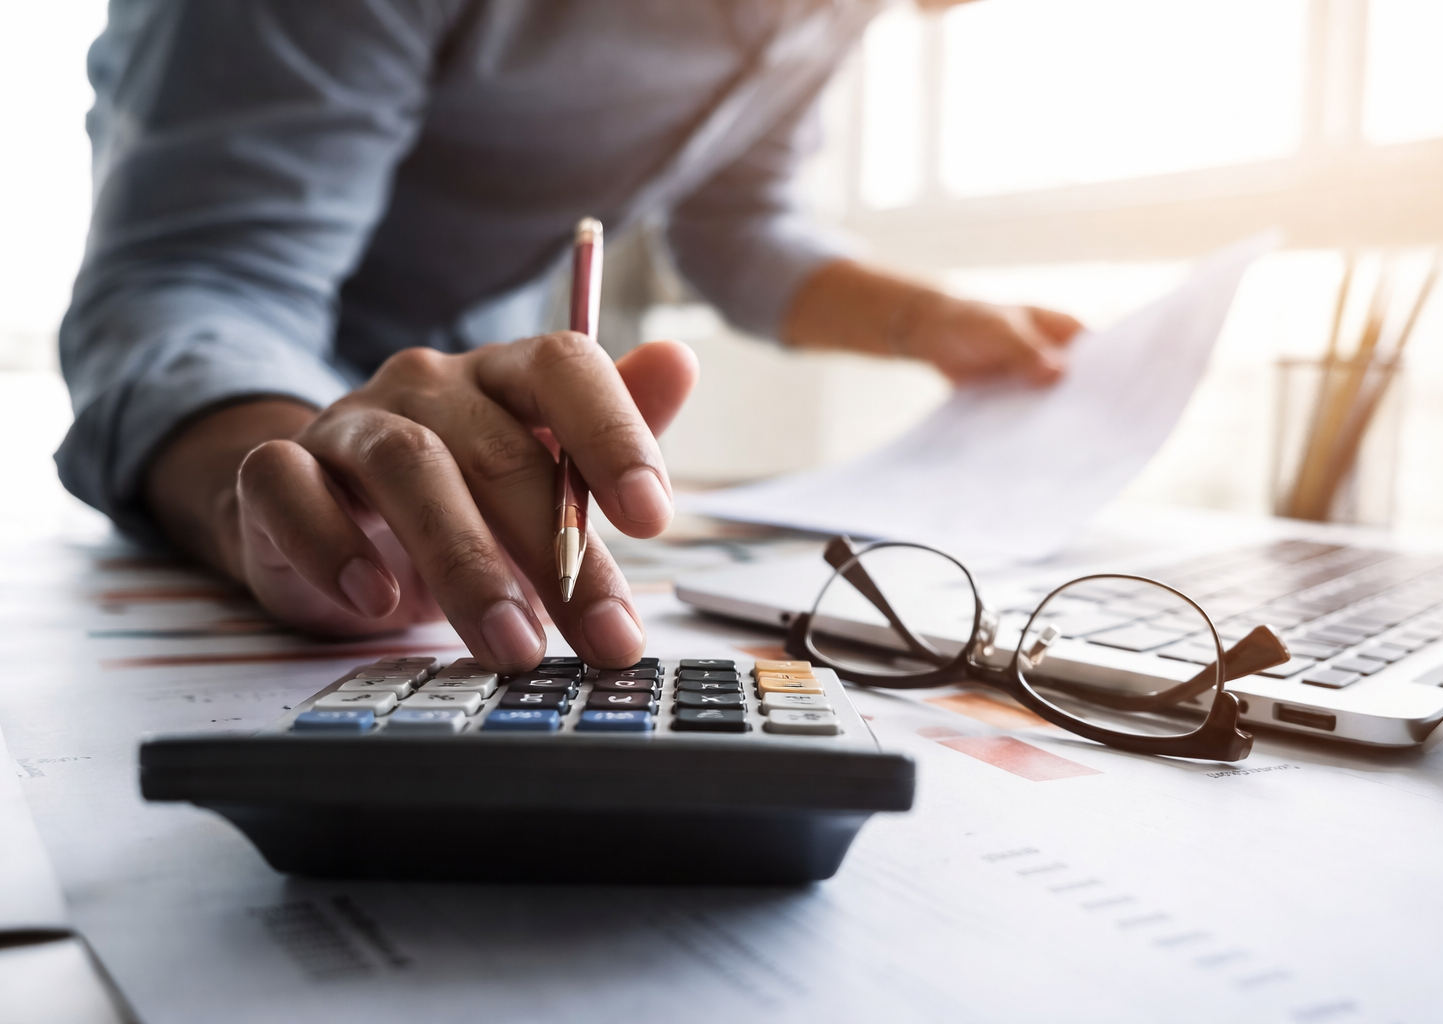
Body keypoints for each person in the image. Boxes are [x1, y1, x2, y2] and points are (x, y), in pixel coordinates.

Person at [57, 0, 1082, 673]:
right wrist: (286, 491)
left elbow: (739, 219)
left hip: (497, 461)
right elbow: (196, 274)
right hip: (281, 444)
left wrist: (926, 320)